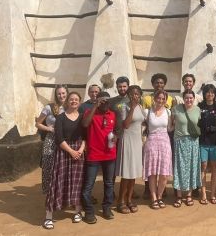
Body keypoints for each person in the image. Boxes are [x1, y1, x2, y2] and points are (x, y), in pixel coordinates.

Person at [43, 92, 85, 229]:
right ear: (67, 101)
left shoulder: (82, 118)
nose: (74, 101)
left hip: (78, 153)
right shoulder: (60, 117)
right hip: (63, 152)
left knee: (76, 182)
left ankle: (77, 211)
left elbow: (86, 137)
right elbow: (59, 138)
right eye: (71, 99)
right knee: (57, 182)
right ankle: (49, 216)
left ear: (80, 102)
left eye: (76, 99)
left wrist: (80, 150)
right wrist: (71, 151)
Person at [81, 91, 117, 224]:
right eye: (103, 101)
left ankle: (107, 207)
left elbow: (117, 129)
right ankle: (89, 211)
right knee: (88, 185)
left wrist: (115, 137)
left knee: (109, 183)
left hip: (109, 154)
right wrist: (95, 106)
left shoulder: (112, 114)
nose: (105, 103)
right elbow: (85, 124)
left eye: (107, 101)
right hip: (94, 154)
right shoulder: (90, 112)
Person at [141, 73, 173, 199]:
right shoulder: (146, 106)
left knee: (164, 172)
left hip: (165, 142)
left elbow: (170, 127)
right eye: (157, 83)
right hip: (152, 141)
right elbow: (141, 122)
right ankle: (153, 196)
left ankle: (160, 194)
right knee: (152, 171)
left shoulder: (169, 108)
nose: (160, 100)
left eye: (161, 83)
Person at [115, 85, 145, 214]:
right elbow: (125, 125)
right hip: (127, 140)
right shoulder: (124, 107)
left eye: (137, 94)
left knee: (133, 174)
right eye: (132, 94)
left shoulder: (141, 107)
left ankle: (129, 199)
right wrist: (131, 108)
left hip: (137, 141)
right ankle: (120, 201)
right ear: (128, 95)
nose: (135, 96)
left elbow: (143, 122)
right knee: (127, 173)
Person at [171, 90, 202, 207]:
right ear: (183, 99)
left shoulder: (198, 110)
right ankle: (179, 196)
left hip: (193, 142)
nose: (189, 100)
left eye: (191, 98)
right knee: (179, 168)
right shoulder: (176, 109)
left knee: (191, 168)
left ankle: (188, 195)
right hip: (180, 141)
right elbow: (171, 124)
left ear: (194, 99)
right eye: (186, 98)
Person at [36, 85, 68, 194]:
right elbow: (38, 123)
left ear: (67, 93)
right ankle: (49, 191)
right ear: (56, 95)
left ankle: (61, 191)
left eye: (63, 93)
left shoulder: (70, 107)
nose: (61, 95)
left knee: (63, 166)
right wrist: (48, 128)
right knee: (48, 165)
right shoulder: (49, 108)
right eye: (59, 93)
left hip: (65, 140)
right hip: (51, 139)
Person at [198, 84, 216, 205]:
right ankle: (203, 194)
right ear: (204, 93)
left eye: (212, 92)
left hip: (215, 142)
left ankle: (212, 195)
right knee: (203, 167)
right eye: (208, 92)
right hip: (202, 141)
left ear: (215, 94)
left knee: (214, 169)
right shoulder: (199, 106)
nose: (210, 94)